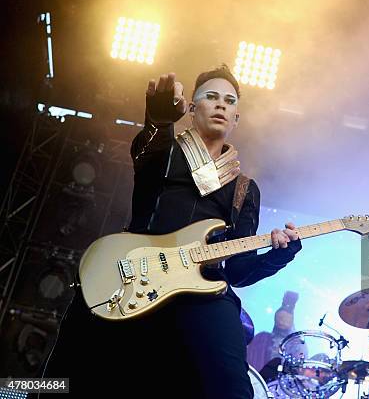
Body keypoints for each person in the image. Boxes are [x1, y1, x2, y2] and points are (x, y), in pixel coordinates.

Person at [41, 65, 302, 398]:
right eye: (210, 97)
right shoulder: (163, 153)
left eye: (229, 100)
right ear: (192, 110)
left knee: (231, 388)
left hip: (201, 294)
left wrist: (279, 256)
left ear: (236, 118)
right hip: (133, 277)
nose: (221, 104)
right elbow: (145, 148)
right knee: (67, 380)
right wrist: (158, 120)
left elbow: (237, 270)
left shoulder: (244, 189)